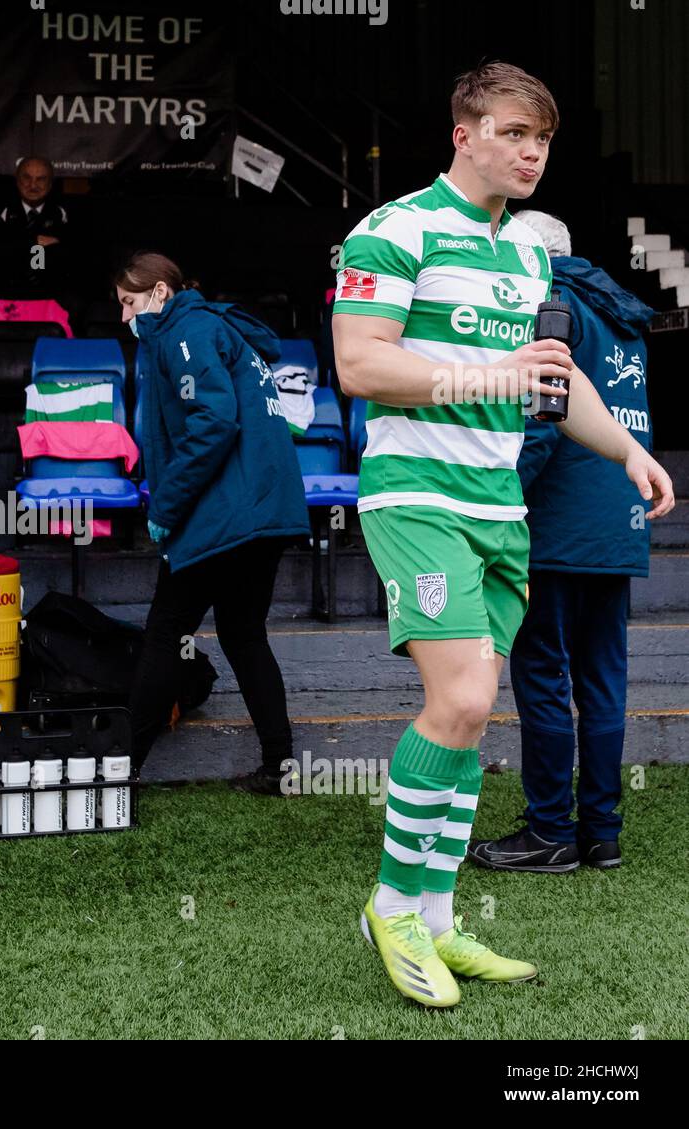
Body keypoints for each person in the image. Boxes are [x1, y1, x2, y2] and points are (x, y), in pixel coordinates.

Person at [333, 63, 674, 1008]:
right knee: (466, 695)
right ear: (465, 133)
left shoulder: (528, 257)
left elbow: (554, 389)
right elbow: (360, 365)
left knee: (477, 714)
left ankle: (438, 921)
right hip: (417, 499)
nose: (532, 153)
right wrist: (492, 376)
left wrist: (626, 454)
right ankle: (394, 907)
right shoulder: (393, 229)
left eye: (544, 139)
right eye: (516, 133)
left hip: (500, 510)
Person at [471, 211, 657, 874]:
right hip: (617, 519)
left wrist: (493, 501)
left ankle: (550, 830)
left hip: (555, 521)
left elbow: (544, 424)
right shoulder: (621, 313)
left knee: (543, 673)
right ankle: (601, 832)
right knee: (602, 677)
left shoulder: (547, 306)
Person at [119, 251, 309, 791]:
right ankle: (280, 766)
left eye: (129, 303)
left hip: (226, 514)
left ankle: (123, 767)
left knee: (164, 633)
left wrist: (165, 506)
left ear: (159, 293)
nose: (125, 317)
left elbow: (213, 422)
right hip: (262, 510)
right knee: (244, 634)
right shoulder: (218, 327)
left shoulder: (188, 330)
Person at [0, 156, 73, 296]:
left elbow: (74, 254)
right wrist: (32, 242)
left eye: (41, 179)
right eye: (27, 178)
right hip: (8, 296)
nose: (33, 185)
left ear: (50, 184)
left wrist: (18, 245)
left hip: (53, 298)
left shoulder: (63, 213)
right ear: (17, 181)